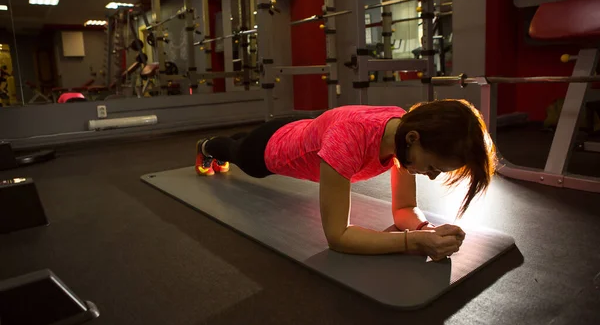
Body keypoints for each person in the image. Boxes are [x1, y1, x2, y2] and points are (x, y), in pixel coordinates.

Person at [194, 99, 497, 261]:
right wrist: (413, 242)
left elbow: (404, 208)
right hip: (271, 152)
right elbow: (338, 237)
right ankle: (206, 146)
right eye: (432, 167)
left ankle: (230, 143)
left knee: (241, 141)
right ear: (414, 139)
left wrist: (426, 229)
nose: (430, 176)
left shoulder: (404, 134)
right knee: (234, 150)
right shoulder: (351, 139)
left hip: (302, 128)